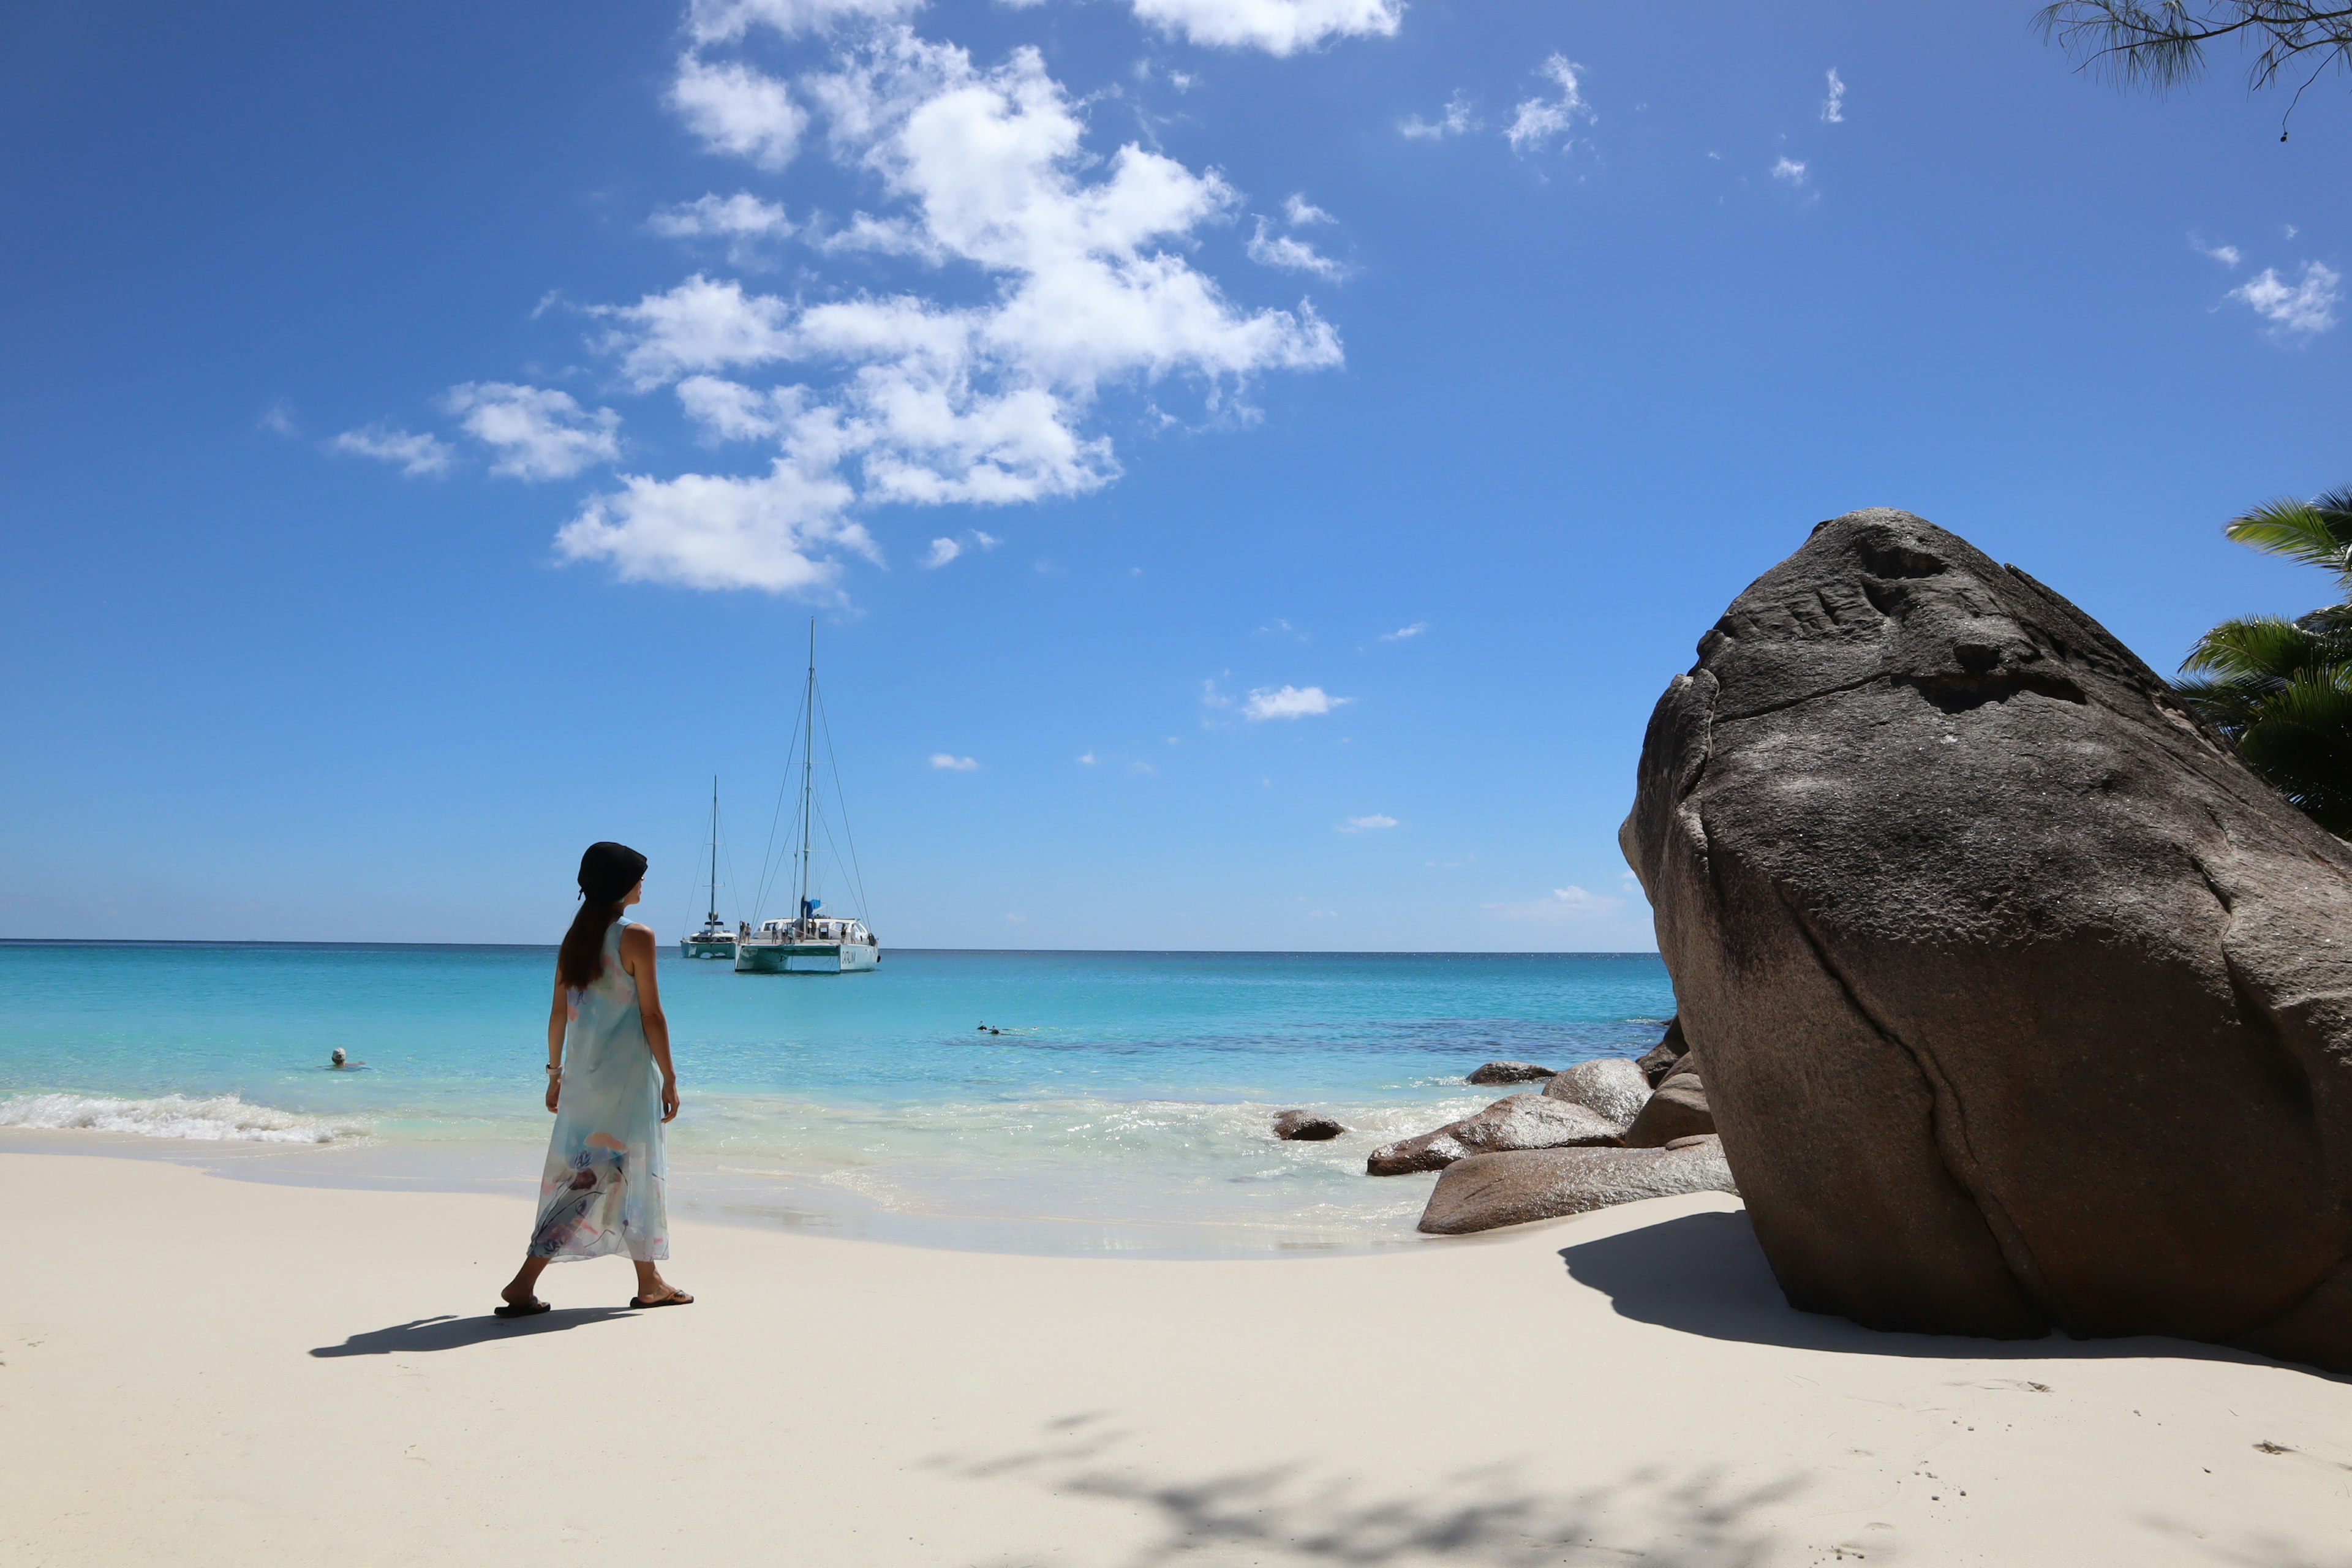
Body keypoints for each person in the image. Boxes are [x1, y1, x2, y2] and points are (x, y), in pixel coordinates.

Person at [496, 842, 691, 1319]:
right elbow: (652, 1014)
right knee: (617, 1172)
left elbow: (558, 1015)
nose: (644, 885)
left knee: (596, 1173)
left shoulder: (576, 939)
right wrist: (670, 1076)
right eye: (639, 877)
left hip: (584, 1079)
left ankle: (649, 1282)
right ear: (620, 885)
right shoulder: (637, 936)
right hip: (624, 1080)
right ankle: (524, 1283)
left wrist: (555, 1075)